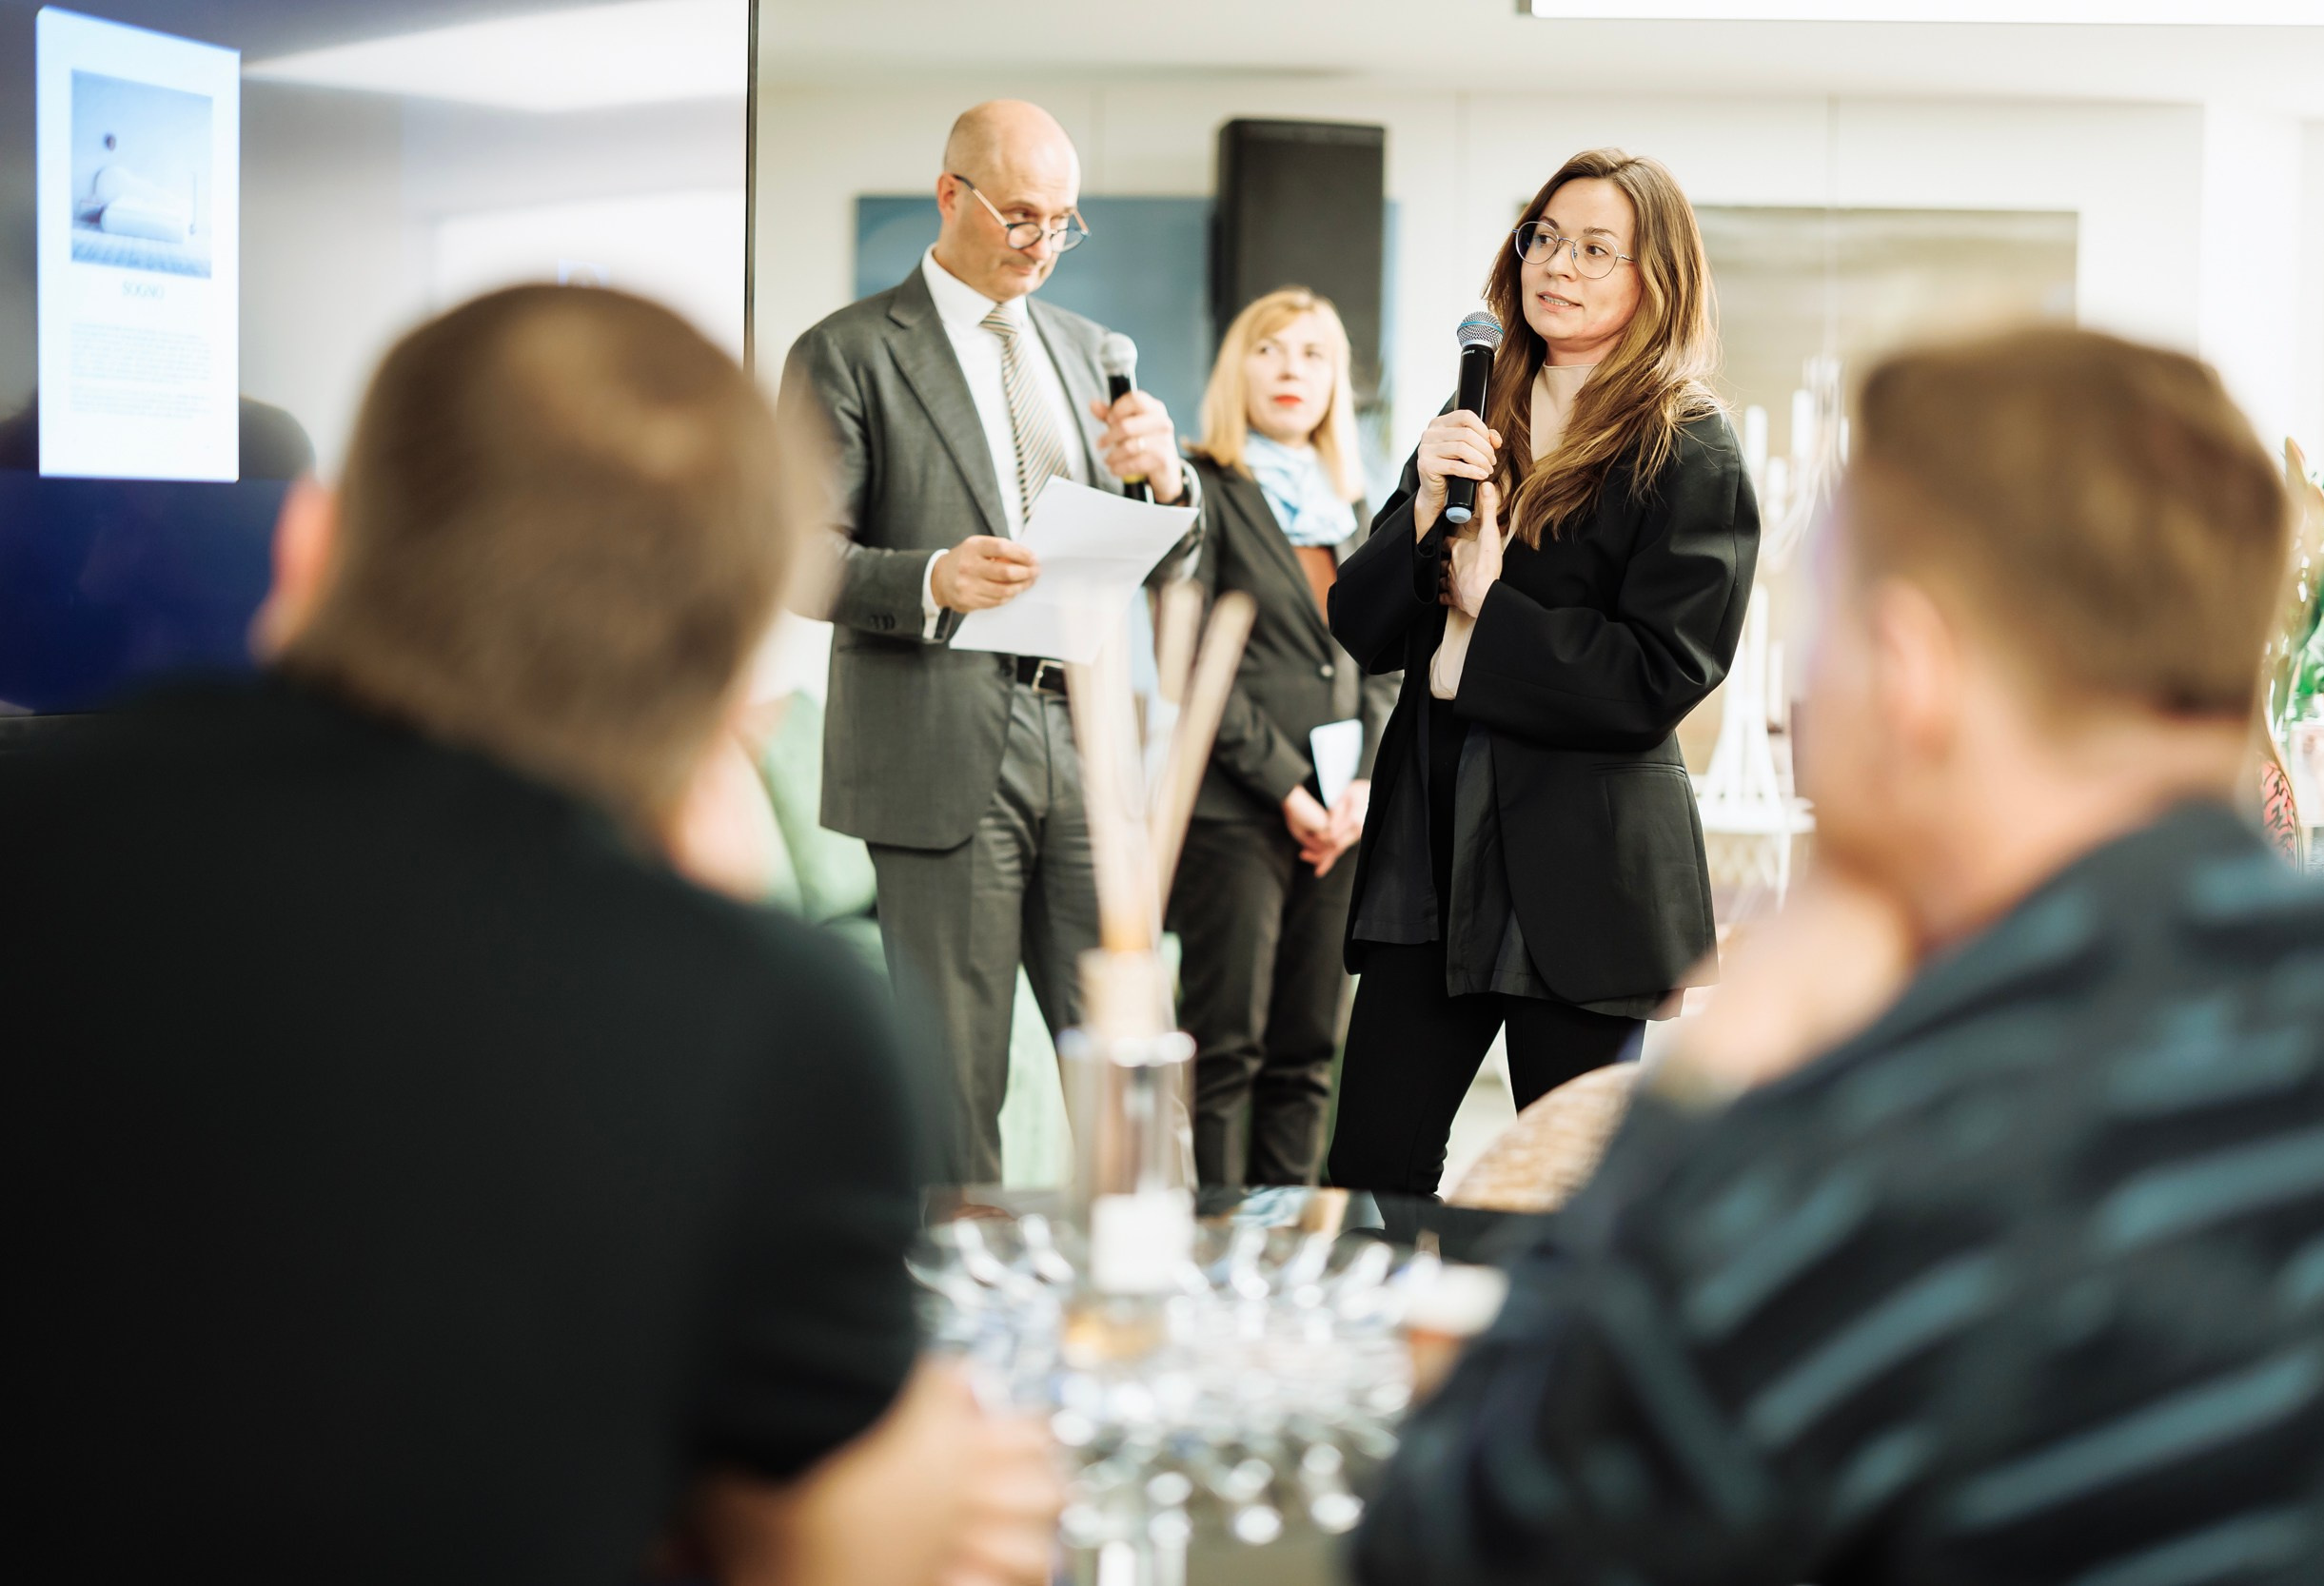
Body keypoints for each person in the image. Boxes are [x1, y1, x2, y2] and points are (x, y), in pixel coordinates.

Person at [6, 286, 1058, 1586]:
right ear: (738, 664)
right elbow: (822, 1548)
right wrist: (940, 1484)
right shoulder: (769, 1021)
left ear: (312, 547)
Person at [1351, 327, 2324, 1586]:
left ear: (1908, 671)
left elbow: (1452, 1546)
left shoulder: (1862, 1155)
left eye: (1817, 627)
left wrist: (1707, 1086)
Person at [1325, 148, 1759, 1196]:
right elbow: (1363, 624)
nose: (1557, 265)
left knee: (1563, 1196)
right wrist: (1426, 510)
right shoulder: (1473, 416)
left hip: (1583, 868)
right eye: (1544, 237)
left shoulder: (1687, 447)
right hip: (1431, 850)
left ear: (1655, 280)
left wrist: (1488, 602)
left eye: (1595, 248)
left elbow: (1658, 676)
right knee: (1370, 1171)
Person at [790, 99, 1201, 1185]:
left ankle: (1135, 1312)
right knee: (954, 1092)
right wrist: (931, 577)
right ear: (949, 195)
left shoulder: (1083, 351)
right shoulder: (846, 353)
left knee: (1129, 1066)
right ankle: (959, 1335)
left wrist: (1168, 480)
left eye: (1063, 223)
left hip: (1084, 733)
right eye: (1022, 216)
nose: (1041, 246)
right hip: (938, 736)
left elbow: (1170, 559)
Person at [1168, 287, 1397, 1189]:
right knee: (1227, 1050)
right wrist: (1289, 790)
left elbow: (1387, 658)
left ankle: (1288, 1252)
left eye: (1313, 354)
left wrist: (1364, 789)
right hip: (1237, 811)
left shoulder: (1356, 505)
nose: (1292, 370)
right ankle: (1220, 1253)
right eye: (1271, 350)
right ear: (1238, 369)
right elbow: (1193, 664)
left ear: (1337, 380)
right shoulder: (1203, 489)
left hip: (1343, 815)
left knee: (1309, 1052)